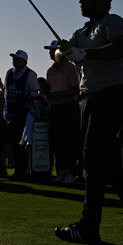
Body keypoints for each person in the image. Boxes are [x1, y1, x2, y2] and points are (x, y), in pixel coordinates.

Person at [53, 0, 123, 245]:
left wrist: (83, 53)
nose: (81, 2)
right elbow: (59, 55)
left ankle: (89, 227)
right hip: (87, 99)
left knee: (92, 155)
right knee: (103, 159)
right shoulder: (80, 31)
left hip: (111, 95)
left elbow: (118, 48)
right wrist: (65, 52)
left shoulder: (113, 21)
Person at [45, 41, 79, 185]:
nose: (50, 53)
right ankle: (61, 170)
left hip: (69, 107)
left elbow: (75, 90)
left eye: (52, 50)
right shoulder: (50, 70)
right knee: (56, 141)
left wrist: (58, 94)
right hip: (55, 108)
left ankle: (72, 172)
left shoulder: (71, 68)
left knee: (70, 141)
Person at [4, 49, 38, 181]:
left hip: (24, 112)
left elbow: (35, 92)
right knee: (13, 143)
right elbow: (6, 92)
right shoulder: (9, 73)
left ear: (24, 61)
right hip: (11, 113)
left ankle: (23, 169)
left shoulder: (30, 74)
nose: (14, 60)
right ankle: (19, 169)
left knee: (22, 143)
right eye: (13, 58)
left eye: (17, 58)